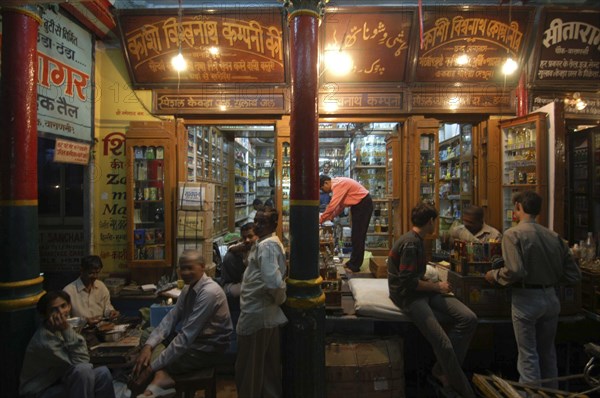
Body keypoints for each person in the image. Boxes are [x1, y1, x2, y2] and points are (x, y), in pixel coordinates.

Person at [484, 191, 581, 388]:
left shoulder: (513, 234)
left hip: (526, 299)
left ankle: (531, 394)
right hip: (551, 298)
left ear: (518, 207)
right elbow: (574, 275)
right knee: (548, 352)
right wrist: (550, 278)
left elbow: (515, 270)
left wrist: (493, 276)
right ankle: (551, 392)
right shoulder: (554, 236)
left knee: (528, 354)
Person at [388, 203, 477, 398]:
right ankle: (463, 389)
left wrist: (432, 283)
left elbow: (416, 276)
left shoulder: (418, 240)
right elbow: (408, 282)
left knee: (469, 318)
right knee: (442, 343)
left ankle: (441, 369)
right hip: (409, 295)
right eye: (434, 221)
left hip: (422, 289)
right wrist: (437, 287)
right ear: (430, 221)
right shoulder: (411, 243)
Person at [131, 250, 233, 398]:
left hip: (206, 349)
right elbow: (170, 320)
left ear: (202, 267)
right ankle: (161, 376)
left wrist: (151, 368)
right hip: (192, 343)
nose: (185, 272)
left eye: (190, 268)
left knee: (150, 364)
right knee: (148, 334)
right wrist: (147, 347)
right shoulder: (188, 288)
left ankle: (159, 378)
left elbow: (186, 337)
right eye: (182, 268)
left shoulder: (210, 292)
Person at [20, 291, 115, 398]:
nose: (60, 312)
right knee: (83, 371)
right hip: (41, 391)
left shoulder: (61, 329)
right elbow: (81, 361)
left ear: (69, 306)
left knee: (103, 373)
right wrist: (66, 329)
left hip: (59, 381)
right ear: (44, 315)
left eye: (63, 306)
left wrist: (66, 330)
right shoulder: (45, 341)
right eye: (53, 310)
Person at [235, 207, 287, 398]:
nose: (257, 226)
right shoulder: (265, 243)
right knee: (267, 370)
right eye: (256, 221)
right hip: (265, 315)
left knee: (249, 370)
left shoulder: (266, 246)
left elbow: (273, 282)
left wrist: (280, 298)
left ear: (274, 225)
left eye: (262, 223)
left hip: (257, 314)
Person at [319, 174, 373, 272]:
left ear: (326, 182)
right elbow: (339, 207)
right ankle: (352, 262)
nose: (324, 191)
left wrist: (321, 219)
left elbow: (332, 205)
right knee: (355, 235)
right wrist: (329, 217)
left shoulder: (338, 185)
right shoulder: (337, 184)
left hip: (363, 204)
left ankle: (355, 266)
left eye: (323, 188)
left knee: (358, 236)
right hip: (359, 205)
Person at [63, 255, 119, 325]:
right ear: (82, 270)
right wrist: (84, 321)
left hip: (100, 329)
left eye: (97, 273)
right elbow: (64, 321)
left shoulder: (101, 286)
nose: (95, 276)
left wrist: (111, 312)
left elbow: (107, 307)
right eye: (91, 273)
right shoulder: (68, 291)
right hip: (79, 332)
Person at [220, 222, 258, 298]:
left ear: (258, 236)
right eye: (244, 237)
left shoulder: (262, 250)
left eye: (250, 236)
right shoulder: (238, 251)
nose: (247, 240)